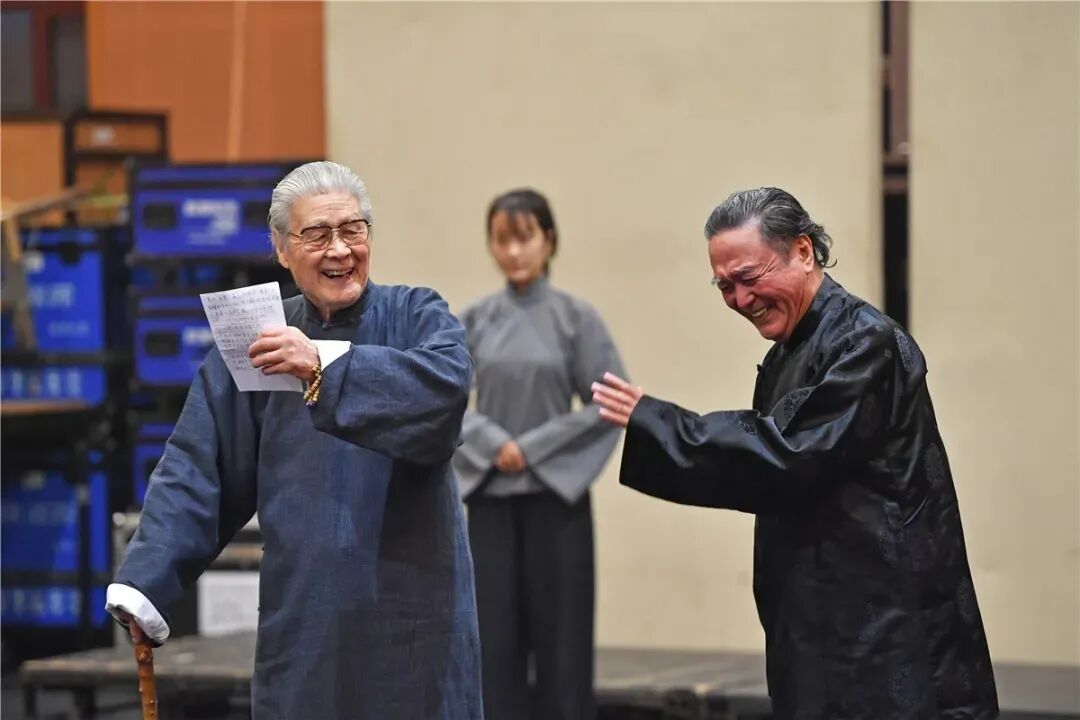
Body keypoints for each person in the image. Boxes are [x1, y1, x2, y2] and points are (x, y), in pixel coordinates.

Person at [592, 188, 998, 719]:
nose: (740, 299)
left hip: (884, 628)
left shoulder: (865, 343)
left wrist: (661, 423)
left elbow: (788, 457)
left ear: (803, 251)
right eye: (724, 286)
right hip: (818, 623)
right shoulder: (791, 350)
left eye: (749, 277)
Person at [106, 161, 483, 719]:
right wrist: (145, 579)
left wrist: (321, 365)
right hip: (306, 622)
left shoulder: (415, 314)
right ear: (282, 249)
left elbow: (444, 394)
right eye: (317, 234)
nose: (340, 250)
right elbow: (200, 463)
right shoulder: (262, 339)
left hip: (413, 624)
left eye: (353, 229)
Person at [453, 189, 625, 720]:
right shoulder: (474, 320)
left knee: (563, 648)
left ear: (548, 241)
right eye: (502, 240)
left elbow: (611, 402)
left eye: (525, 238)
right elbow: (443, 400)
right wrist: (492, 444)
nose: (514, 252)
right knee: (492, 644)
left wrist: (529, 449)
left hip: (557, 505)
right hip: (490, 503)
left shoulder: (576, 319)